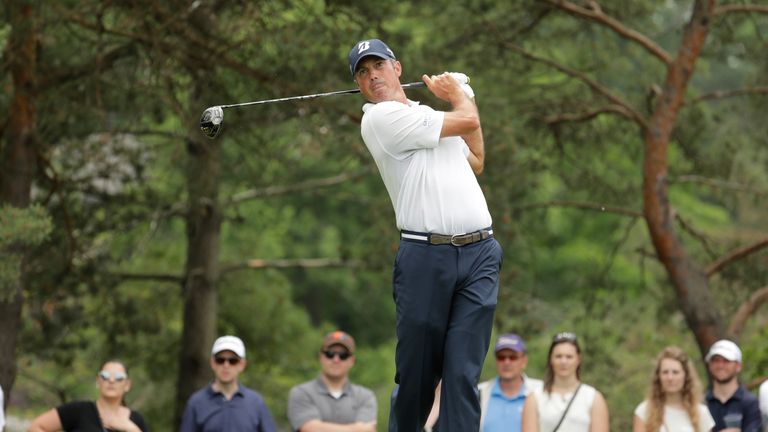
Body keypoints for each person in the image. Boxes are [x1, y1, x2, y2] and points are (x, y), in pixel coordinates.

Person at [347, 38, 503, 432]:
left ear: (396, 68)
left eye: (377, 66)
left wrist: (461, 97)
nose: (372, 76)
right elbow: (467, 121)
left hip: (480, 252)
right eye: (362, 73)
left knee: (463, 374)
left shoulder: (427, 115)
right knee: (417, 376)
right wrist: (459, 95)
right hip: (424, 258)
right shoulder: (379, 120)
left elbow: (477, 159)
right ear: (360, 85)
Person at [180, 335, 277, 432]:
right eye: (220, 360)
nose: (226, 365)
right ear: (212, 363)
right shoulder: (196, 403)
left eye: (233, 361)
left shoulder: (256, 402)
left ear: (242, 365)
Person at [287, 330, 377, 431]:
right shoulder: (301, 392)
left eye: (343, 355)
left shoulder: (365, 396)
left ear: (352, 360)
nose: (336, 359)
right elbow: (311, 429)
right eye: (330, 354)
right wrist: (357, 429)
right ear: (321, 357)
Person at [521, 332, 609, 432]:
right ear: (551, 359)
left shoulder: (594, 398)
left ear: (578, 359)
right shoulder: (534, 398)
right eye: (558, 356)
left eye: (569, 357)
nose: (563, 361)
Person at [27, 359, 148, 432]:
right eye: (105, 375)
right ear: (98, 381)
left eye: (118, 377)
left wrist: (131, 428)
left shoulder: (136, 420)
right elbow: (36, 427)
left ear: (127, 385)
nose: (111, 380)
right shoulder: (79, 410)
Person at [633, 346, 714, 432]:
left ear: (686, 376)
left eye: (675, 372)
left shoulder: (701, 413)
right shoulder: (644, 411)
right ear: (658, 376)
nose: (670, 378)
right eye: (665, 372)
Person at [477, 333, 542, 432]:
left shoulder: (540, 391)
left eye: (513, 357)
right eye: (501, 357)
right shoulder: (480, 392)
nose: (507, 362)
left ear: (524, 361)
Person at [704, 339, 762, 432]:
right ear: (709, 365)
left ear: (738, 366)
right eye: (716, 360)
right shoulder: (702, 402)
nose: (720, 365)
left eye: (726, 361)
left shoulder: (751, 403)